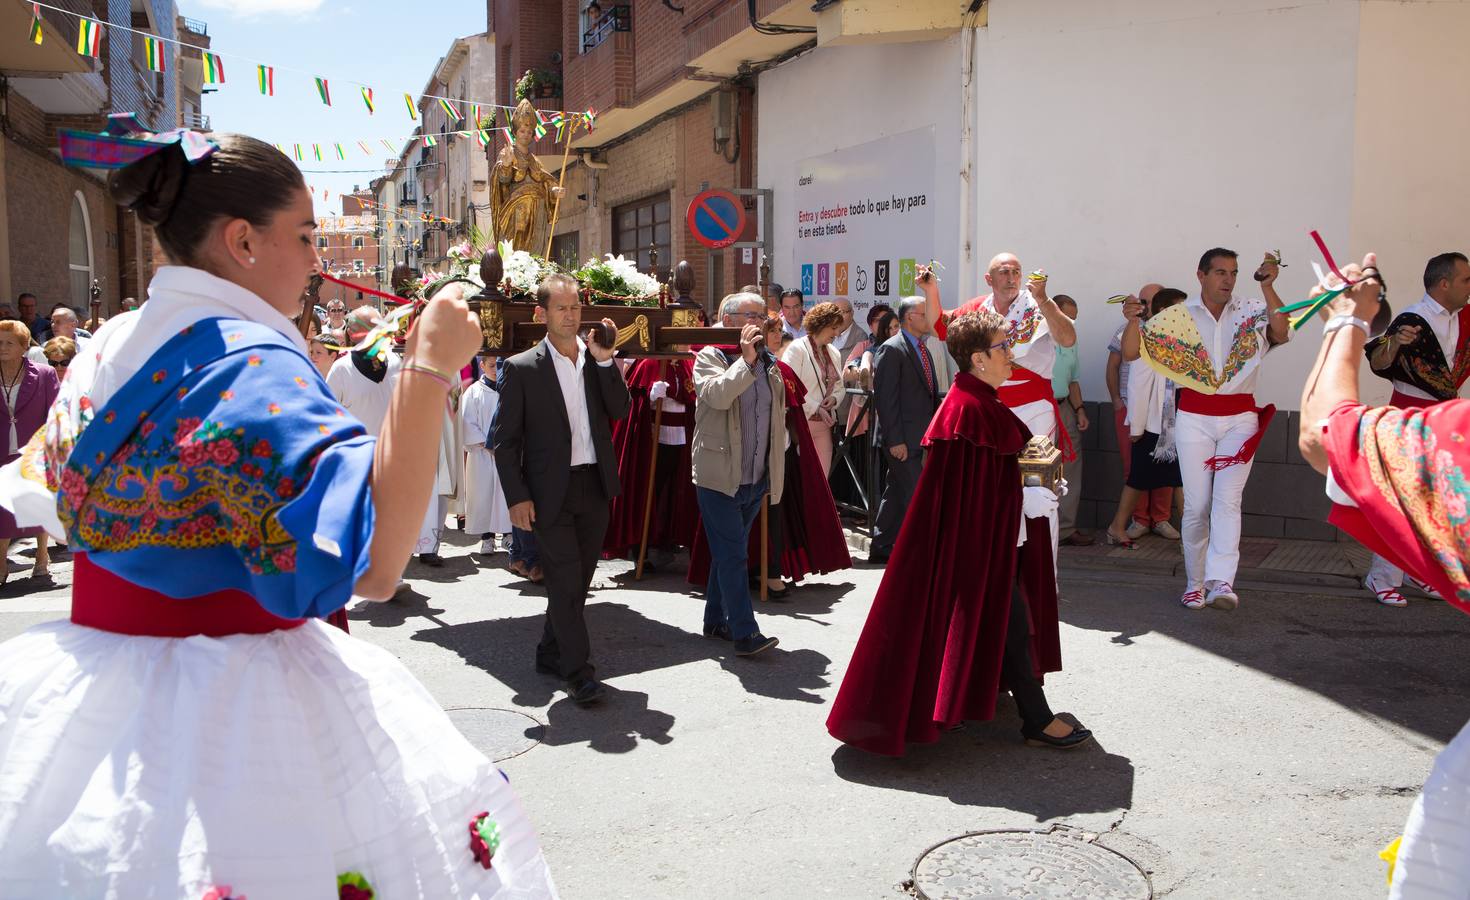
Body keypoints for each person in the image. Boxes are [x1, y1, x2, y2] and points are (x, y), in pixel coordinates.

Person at [0, 132, 554, 897]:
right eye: (304, 237)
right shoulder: (251, 360)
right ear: (242, 241)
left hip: (90, 683)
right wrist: (429, 364)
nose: (318, 261)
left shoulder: (116, 341)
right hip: (237, 693)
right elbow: (380, 565)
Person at [827, 311, 1090, 755]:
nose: (1012, 354)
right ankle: (1036, 718)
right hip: (972, 549)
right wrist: (1025, 499)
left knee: (1006, 621)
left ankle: (1011, 709)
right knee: (1007, 620)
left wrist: (1034, 485)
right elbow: (972, 494)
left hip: (983, 544)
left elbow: (994, 475)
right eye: (1004, 347)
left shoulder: (980, 401)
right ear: (978, 359)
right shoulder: (968, 409)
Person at [1295, 251, 1469, 898]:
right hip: (1420, 419)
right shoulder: (1425, 321)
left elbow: (1322, 434)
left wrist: (1345, 316)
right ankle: (1386, 577)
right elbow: (1391, 360)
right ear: (1444, 283)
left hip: (1428, 433)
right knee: (1401, 527)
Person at [1124, 248, 1289, 611]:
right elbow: (1132, 352)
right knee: (1197, 506)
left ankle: (1221, 582)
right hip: (1194, 417)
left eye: (1232, 273)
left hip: (1240, 418)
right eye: (1219, 272)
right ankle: (1195, 582)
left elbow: (1282, 330)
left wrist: (1269, 285)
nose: (1228, 279)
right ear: (1201, 275)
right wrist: (1133, 319)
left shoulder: (1251, 310)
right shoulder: (1178, 316)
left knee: (1228, 502)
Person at [493, 272, 628, 706]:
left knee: (578, 581)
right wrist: (517, 497)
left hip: (594, 485)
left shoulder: (595, 361)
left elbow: (620, 410)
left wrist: (606, 361)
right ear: (542, 313)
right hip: (550, 492)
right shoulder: (521, 368)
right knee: (566, 582)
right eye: (561, 308)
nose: (570, 316)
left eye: (575, 308)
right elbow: (504, 440)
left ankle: (550, 651)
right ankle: (579, 672)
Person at [1355, 251, 1470, 606]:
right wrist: (1395, 343)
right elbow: (1379, 359)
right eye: (1465, 280)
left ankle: (1420, 572)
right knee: (1402, 501)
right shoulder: (1412, 318)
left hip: (1445, 415)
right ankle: (1380, 577)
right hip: (1409, 413)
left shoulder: (1464, 317)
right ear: (1444, 283)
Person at [690, 291, 785, 656]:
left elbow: (775, 417)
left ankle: (715, 619)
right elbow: (716, 395)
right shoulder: (709, 356)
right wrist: (744, 363)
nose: (760, 323)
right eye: (752, 315)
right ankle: (745, 633)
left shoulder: (769, 362)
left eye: (763, 316)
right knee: (733, 555)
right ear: (729, 320)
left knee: (728, 552)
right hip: (719, 476)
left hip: (754, 476)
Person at [1105, 289, 1188, 546]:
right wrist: (1132, 418)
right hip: (1149, 419)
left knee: (1180, 479)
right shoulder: (1140, 333)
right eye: (1178, 309)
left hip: (1176, 416)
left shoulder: (1182, 336)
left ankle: (1189, 535)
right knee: (1138, 477)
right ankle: (1123, 525)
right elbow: (1130, 368)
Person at [602, 355, 697, 570]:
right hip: (655, 439)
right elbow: (633, 403)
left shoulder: (689, 363)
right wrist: (650, 396)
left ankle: (668, 540)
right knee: (649, 492)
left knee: (677, 494)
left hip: (683, 439)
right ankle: (640, 550)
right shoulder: (649, 363)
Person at [867, 297, 941, 564]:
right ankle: (920, 554)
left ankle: (881, 545)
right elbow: (886, 400)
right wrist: (895, 440)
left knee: (896, 491)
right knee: (917, 496)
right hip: (901, 439)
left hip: (918, 436)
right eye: (925, 313)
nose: (929, 319)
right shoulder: (892, 349)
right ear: (910, 317)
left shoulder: (922, 348)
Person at [0, 320, 59, 584]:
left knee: (36, 503)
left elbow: (55, 412)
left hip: (33, 450)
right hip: (2, 449)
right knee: (3, 509)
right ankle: (0, 562)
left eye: (9, 343)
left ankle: (42, 556)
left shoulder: (44, 374)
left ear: (24, 347)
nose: (2, 347)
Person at [491, 99, 565, 254]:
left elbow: (546, 181)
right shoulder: (507, 154)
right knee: (515, 249)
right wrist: (505, 165)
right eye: (522, 131)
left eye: (529, 132)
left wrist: (554, 191)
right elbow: (502, 181)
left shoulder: (535, 160)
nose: (526, 135)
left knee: (536, 249)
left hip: (537, 210)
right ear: (515, 132)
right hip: (516, 210)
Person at [781, 301, 845, 475]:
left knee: (822, 481)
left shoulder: (834, 352)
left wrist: (834, 399)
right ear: (821, 324)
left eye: (838, 328)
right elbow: (788, 384)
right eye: (833, 327)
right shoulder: (797, 348)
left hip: (824, 426)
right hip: (800, 426)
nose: (837, 333)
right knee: (803, 481)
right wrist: (816, 406)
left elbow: (840, 386)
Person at [1051, 295, 1091, 545]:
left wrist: (1080, 409)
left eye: (1074, 320)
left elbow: (1073, 379)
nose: (1071, 325)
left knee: (1070, 465)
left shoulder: (1071, 341)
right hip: (1039, 407)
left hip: (1064, 406)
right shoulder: (1036, 336)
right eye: (1067, 319)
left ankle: (1066, 528)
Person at [461, 354, 512, 555]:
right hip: (482, 453)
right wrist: (485, 443)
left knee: (506, 494)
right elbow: (467, 422)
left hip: (506, 452)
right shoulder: (474, 392)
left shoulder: (509, 389)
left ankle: (508, 535)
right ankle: (487, 537)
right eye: (491, 366)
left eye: (498, 366)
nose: (495, 370)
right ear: (481, 365)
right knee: (484, 495)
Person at [326, 307, 401, 438]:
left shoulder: (395, 361)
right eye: (368, 328)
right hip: (360, 454)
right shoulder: (341, 369)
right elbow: (328, 416)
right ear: (351, 334)